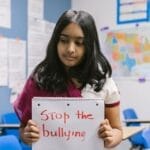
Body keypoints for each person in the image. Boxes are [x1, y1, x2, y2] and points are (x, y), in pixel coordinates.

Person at [13, 9, 123, 148]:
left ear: (89, 46)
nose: (70, 49)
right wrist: (27, 135)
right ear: (55, 42)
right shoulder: (39, 80)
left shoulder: (103, 83)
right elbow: (23, 129)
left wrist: (112, 137)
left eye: (79, 43)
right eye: (64, 40)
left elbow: (117, 130)